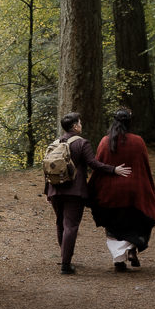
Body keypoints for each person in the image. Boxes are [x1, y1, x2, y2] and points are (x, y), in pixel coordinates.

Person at [45, 112, 131, 275]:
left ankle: (65, 256)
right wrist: (113, 169)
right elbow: (93, 163)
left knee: (60, 223)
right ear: (75, 126)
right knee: (71, 225)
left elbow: (48, 168)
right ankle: (65, 264)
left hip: (55, 189)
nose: (81, 125)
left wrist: (47, 191)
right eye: (80, 123)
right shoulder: (81, 143)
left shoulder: (55, 143)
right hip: (74, 191)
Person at [88, 107, 155, 272]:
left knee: (113, 226)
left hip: (110, 193)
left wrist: (92, 190)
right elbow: (144, 167)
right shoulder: (138, 141)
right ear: (130, 122)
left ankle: (119, 259)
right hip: (134, 192)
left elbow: (99, 167)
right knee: (137, 221)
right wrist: (147, 190)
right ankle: (131, 249)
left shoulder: (105, 141)